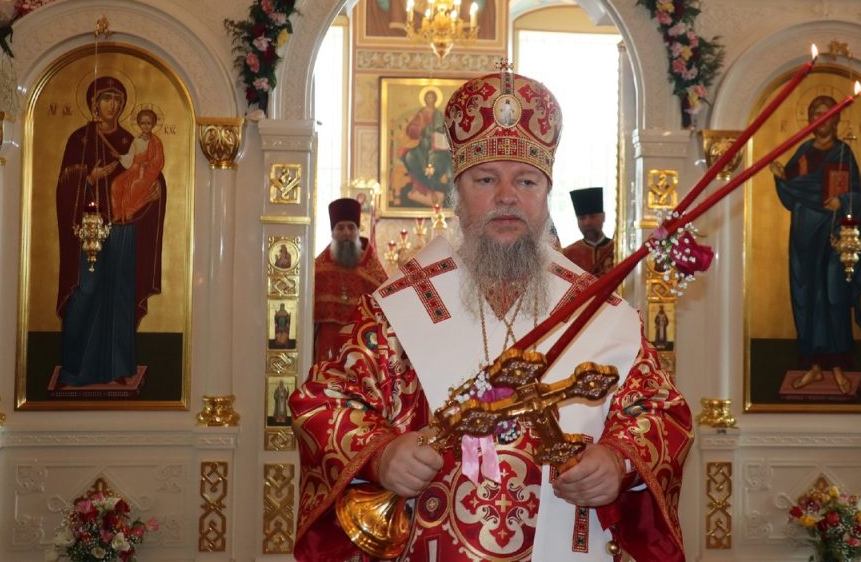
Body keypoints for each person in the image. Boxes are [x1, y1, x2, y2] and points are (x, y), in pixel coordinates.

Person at [291, 67, 693, 562]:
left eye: (526, 180)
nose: (507, 196)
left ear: (545, 196)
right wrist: (380, 453)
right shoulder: (399, 308)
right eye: (486, 179)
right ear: (457, 194)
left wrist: (619, 460)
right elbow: (325, 401)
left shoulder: (599, 314)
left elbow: (659, 410)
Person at [56, 76, 166, 386]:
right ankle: (73, 369)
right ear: (94, 103)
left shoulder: (130, 140)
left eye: (118, 99)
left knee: (120, 293)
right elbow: (64, 186)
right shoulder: (80, 140)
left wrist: (155, 193)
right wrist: (89, 178)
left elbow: (147, 173)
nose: (113, 105)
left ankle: (117, 368)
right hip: (89, 231)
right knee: (86, 290)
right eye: (106, 99)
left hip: (121, 227)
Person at [770, 94, 861, 395]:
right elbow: (791, 194)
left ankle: (837, 366)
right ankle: (813, 366)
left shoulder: (843, 152)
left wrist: (843, 201)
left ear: (836, 119)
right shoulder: (803, 152)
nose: (821, 119)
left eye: (826, 114)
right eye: (815, 114)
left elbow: (860, 197)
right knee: (807, 295)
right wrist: (780, 179)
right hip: (804, 236)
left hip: (834, 235)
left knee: (833, 295)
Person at [312, 197, 388, 361]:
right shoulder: (318, 268)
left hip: (361, 339)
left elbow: (386, 297)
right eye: (340, 228)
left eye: (351, 227)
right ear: (332, 232)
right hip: (328, 340)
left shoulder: (371, 267)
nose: (346, 233)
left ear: (358, 231)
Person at [110, 107, 165, 224]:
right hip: (133, 169)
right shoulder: (136, 140)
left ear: (153, 124)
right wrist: (119, 156)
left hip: (148, 172)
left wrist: (146, 165)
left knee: (135, 185)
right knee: (116, 183)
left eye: (148, 123)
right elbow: (130, 156)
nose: (145, 126)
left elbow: (159, 160)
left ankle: (130, 210)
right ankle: (118, 213)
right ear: (139, 124)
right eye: (143, 123)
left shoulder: (156, 142)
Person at [562, 187, 615, 278]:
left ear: (603, 217)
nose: (587, 222)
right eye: (582, 218)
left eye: (592, 216)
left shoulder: (617, 248)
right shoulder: (567, 254)